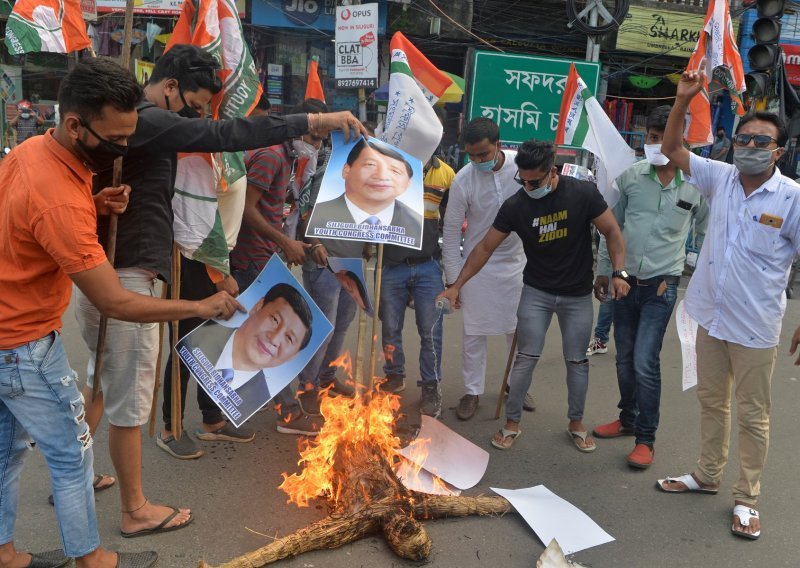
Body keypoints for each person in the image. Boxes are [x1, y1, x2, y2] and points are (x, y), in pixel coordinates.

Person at [68, 45, 362, 537]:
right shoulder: (147, 118)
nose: (197, 118)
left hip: (106, 269)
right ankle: (135, 509)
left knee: (99, 385)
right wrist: (315, 118)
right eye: (195, 105)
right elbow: (226, 134)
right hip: (127, 274)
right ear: (169, 88)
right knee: (129, 403)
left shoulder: (128, 126)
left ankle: (70, 472)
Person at [0, 57, 241, 568]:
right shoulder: (59, 200)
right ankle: (94, 561)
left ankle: (5, 554)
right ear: (75, 125)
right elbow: (115, 301)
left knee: (7, 453)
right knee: (73, 456)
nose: (124, 150)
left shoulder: (31, 154)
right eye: (114, 141)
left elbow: (34, 219)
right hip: (21, 343)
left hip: (9, 334)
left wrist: (97, 203)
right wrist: (200, 304)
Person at [655, 68, 800, 541]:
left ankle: (746, 499)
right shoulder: (720, 177)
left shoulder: (792, 198)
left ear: (779, 151)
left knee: (753, 413)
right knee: (711, 401)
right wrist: (683, 100)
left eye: (762, 142)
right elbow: (674, 150)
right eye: (745, 139)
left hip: (756, 326)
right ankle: (707, 474)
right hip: (710, 315)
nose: (751, 147)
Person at [438, 139, 629, 452]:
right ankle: (512, 424)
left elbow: (612, 231)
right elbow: (485, 247)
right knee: (525, 358)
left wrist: (619, 273)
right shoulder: (517, 205)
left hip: (577, 295)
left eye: (534, 181)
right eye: (522, 180)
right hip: (536, 292)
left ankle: (576, 424)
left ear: (552, 172)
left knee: (577, 361)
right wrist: (456, 284)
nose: (527, 187)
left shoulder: (581, 193)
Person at [592, 105, 709, 469]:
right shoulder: (629, 178)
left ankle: (646, 438)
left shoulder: (696, 185)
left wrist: (704, 281)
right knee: (624, 359)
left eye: (662, 138)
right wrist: (603, 270)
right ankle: (627, 419)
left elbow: (706, 234)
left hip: (662, 286)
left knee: (645, 361)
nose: (655, 144)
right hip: (624, 282)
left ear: (681, 141)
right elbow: (612, 229)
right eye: (651, 138)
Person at [442, 118, 528, 421]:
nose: (477, 161)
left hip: (518, 263)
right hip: (477, 266)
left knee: (519, 331)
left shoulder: (522, 167)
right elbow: (452, 232)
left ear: (498, 145)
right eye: (471, 155)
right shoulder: (463, 180)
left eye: (483, 154)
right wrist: (454, 280)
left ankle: (516, 386)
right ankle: (472, 390)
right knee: (473, 333)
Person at [377, 141, 455, 418]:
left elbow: (453, 219)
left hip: (428, 267)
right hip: (391, 266)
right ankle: (394, 376)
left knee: (431, 332)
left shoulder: (446, 175)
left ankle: (431, 387)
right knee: (390, 328)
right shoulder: (385, 170)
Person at [176, 283, 313, 422]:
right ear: (258, 307)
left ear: (293, 356)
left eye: (289, 338)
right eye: (275, 320)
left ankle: (212, 421)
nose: (274, 338)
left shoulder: (261, 395)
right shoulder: (198, 337)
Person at [306, 138, 423, 247]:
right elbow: (305, 224)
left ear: (408, 183)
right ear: (346, 170)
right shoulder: (322, 210)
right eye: (370, 165)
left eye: (395, 171)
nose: (382, 176)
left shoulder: (413, 222)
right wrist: (316, 246)